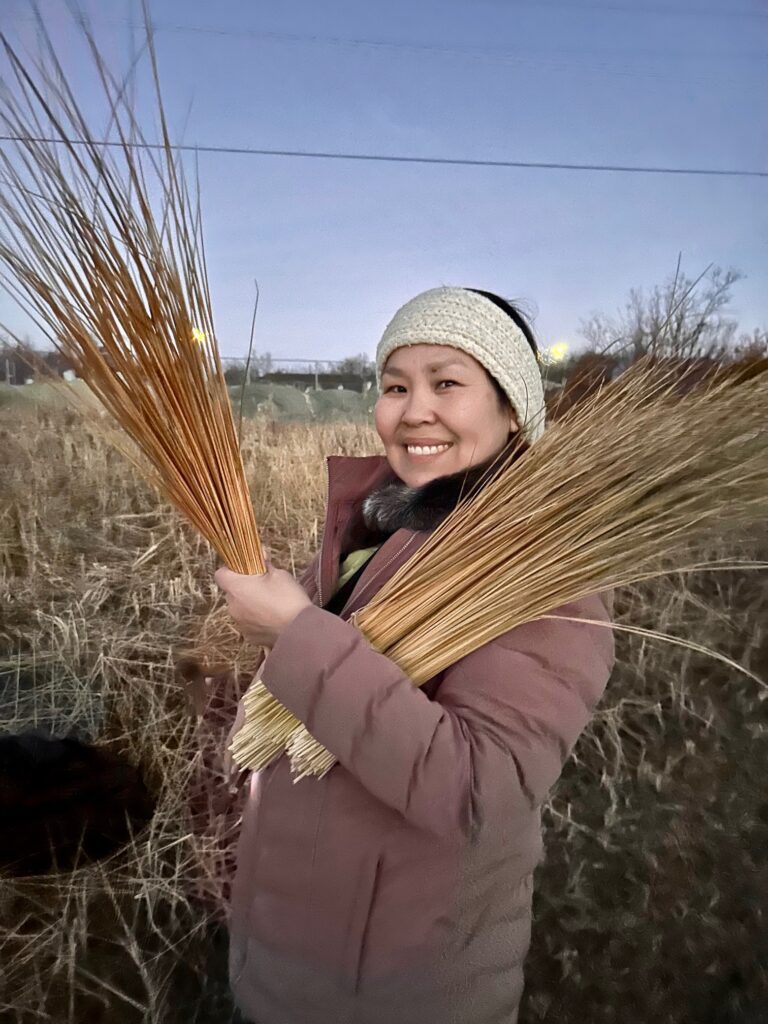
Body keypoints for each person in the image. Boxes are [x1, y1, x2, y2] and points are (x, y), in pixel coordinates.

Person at [215, 286, 615, 1024]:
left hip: (396, 993)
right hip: (280, 962)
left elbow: (473, 791)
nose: (413, 409)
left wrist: (299, 635)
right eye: (395, 385)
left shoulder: (542, 574)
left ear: (512, 408)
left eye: (447, 383)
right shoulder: (379, 526)